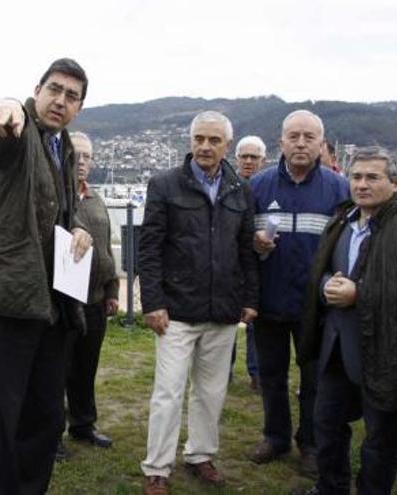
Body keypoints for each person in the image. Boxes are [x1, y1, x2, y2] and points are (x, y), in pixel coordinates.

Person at [0, 58, 94, 495]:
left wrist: (79, 229)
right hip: (2, 295)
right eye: (54, 89)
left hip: (49, 300)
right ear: (37, 90)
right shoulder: (20, 130)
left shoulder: (64, 147)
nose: (60, 100)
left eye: (72, 96)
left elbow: (55, 212)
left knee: (45, 417)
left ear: (79, 108)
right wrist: (4, 109)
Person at [297, 146, 397, 494]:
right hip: (337, 347)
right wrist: (327, 284)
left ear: (396, 183)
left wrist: (360, 294)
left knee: (382, 439)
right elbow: (322, 269)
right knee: (326, 424)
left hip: (391, 353)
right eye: (356, 177)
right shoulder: (341, 221)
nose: (362, 184)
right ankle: (331, 488)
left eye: (373, 177)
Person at [138, 111, 258, 495]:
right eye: (199, 139)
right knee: (168, 391)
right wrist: (152, 302)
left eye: (214, 140)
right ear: (190, 142)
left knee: (211, 392)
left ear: (226, 145)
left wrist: (250, 299)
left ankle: (200, 454)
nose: (205, 147)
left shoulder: (240, 189)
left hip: (222, 310)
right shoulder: (164, 185)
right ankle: (157, 467)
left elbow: (246, 250)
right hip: (175, 311)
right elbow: (150, 248)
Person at [248, 110, 349, 477]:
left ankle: (310, 443)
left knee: (314, 381)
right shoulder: (257, 187)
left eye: (310, 136)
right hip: (270, 301)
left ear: (322, 144)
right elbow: (237, 239)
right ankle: (275, 437)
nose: (302, 143)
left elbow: (349, 248)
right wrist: (251, 242)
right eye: (294, 136)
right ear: (281, 143)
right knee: (272, 377)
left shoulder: (340, 190)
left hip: (317, 308)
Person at [59, 131, 119, 455]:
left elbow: (107, 248)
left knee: (85, 368)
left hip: (96, 300)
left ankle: (83, 425)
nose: (81, 162)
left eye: (87, 156)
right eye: (76, 155)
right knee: (56, 372)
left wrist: (112, 289)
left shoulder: (96, 201)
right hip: (64, 302)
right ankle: (51, 434)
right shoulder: (57, 197)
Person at [232, 135, 267, 391]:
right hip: (230, 264)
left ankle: (257, 373)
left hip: (259, 263)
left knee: (257, 322)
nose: (248, 161)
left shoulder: (267, 188)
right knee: (226, 320)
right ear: (236, 159)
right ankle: (223, 371)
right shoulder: (227, 186)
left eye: (253, 157)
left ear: (262, 161)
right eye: (244, 156)